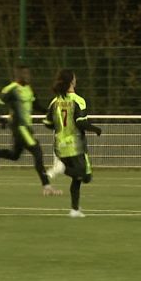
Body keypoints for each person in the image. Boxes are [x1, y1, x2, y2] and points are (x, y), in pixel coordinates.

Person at [0, 64, 60, 196]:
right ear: (17, 75)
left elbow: (36, 105)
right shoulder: (11, 89)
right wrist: (0, 118)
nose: (27, 76)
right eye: (24, 73)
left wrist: (50, 112)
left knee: (15, 155)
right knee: (37, 151)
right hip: (19, 127)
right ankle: (47, 186)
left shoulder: (30, 89)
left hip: (26, 128)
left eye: (28, 73)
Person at [42, 69, 103, 218]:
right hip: (76, 145)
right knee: (86, 176)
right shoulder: (78, 100)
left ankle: (74, 210)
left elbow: (47, 123)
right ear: (71, 81)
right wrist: (96, 129)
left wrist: (60, 126)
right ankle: (62, 169)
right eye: (74, 78)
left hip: (60, 145)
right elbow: (81, 123)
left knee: (77, 178)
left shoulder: (55, 101)